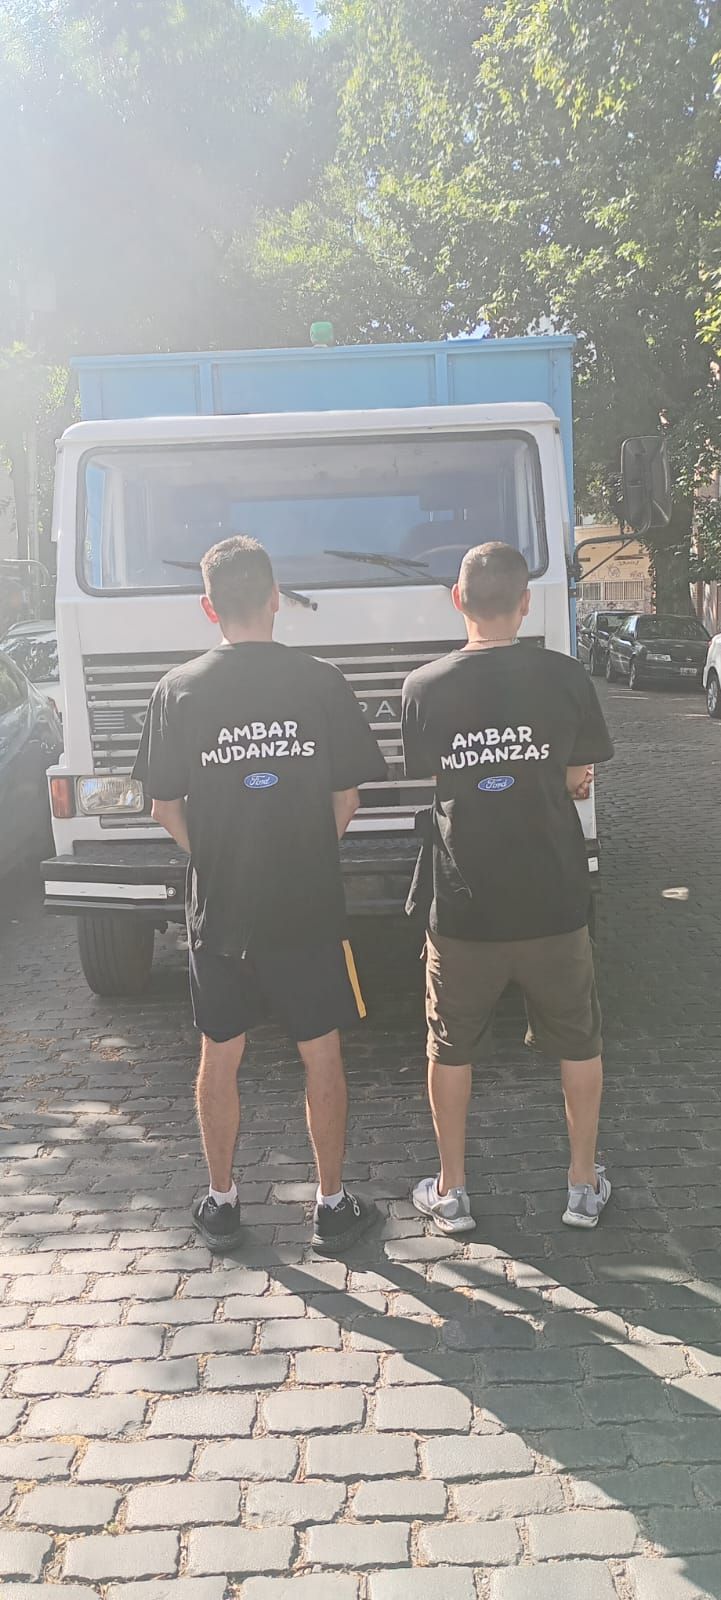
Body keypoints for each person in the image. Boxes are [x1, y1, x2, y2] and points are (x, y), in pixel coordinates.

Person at [133, 535, 387, 1255]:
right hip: (305, 902)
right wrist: (303, 850)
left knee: (220, 1054)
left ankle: (221, 1204)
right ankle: (332, 1207)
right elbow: (347, 797)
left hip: (222, 910)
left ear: (208, 606)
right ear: (276, 598)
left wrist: (215, 856)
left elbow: (163, 806)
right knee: (322, 1053)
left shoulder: (176, 689)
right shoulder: (321, 682)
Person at [401, 542, 614, 1235]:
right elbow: (580, 778)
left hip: (465, 904)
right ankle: (582, 1186)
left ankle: (453, 1190)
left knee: (449, 1046)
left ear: (457, 599)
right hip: (553, 898)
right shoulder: (564, 677)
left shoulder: (423, 686)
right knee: (578, 1042)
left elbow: (435, 781)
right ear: (524, 602)